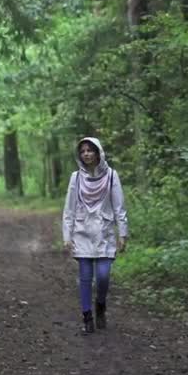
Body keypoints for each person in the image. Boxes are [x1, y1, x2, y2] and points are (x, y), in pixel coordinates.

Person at [61, 137, 129, 334]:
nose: (86, 154)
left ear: (98, 153)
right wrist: (67, 236)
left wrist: (123, 234)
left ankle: (100, 304)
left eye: (90, 150)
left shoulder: (112, 176)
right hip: (81, 232)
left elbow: (119, 207)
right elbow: (69, 209)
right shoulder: (75, 178)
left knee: (103, 276)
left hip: (105, 233)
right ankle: (87, 317)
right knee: (85, 277)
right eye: (83, 151)